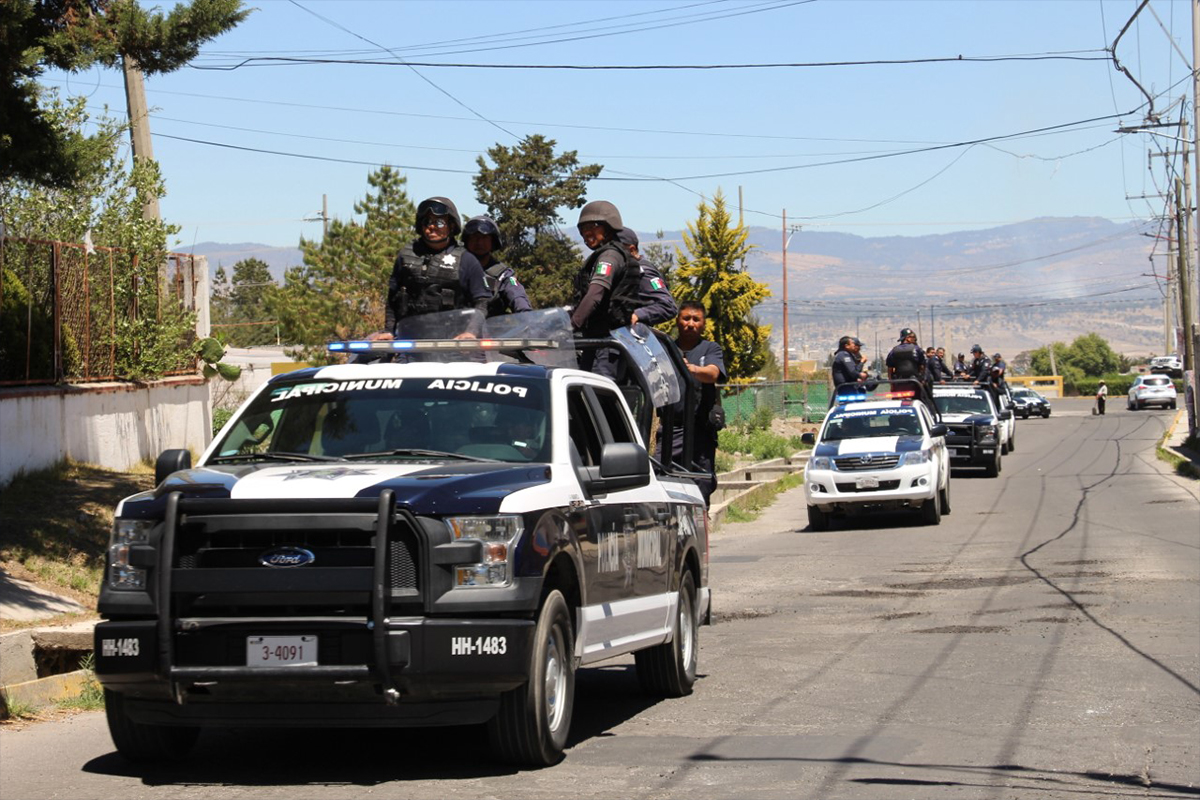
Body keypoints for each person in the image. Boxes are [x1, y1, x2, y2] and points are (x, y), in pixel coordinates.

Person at [382, 196, 490, 339]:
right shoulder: (405, 256)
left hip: (454, 346)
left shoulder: (467, 260)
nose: (432, 227)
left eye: (439, 222)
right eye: (427, 222)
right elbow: (392, 299)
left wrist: (471, 332)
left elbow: (482, 302)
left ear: (451, 226)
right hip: (411, 345)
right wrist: (388, 331)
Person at [571, 200, 642, 377]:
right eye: (582, 229)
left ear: (608, 227)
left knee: (596, 398)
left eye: (592, 227)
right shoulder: (608, 254)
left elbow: (596, 293)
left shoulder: (609, 257)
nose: (587, 233)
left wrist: (570, 326)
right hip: (599, 342)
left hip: (605, 345)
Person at [669, 301, 726, 505]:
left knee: (701, 488)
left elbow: (713, 374)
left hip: (700, 433)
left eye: (696, 319)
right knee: (664, 482)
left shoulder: (710, 348)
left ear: (703, 324)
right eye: (686, 318)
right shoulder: (667, 349)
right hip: (670, 432)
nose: (690, 323)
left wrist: (690, 369)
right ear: (678, 321)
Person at [462, 215, 533, 317]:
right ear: (467, 240)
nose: (479, 242)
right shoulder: (456, 268)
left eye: (484, 237)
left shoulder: (503, 275)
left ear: (493, 241)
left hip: (492, 330)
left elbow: (517, 295)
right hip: (456, 329)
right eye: (474, 237)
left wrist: (526, 315)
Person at [616, 228, 678, 327]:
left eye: (617, 251)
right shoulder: (623, 270)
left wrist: (636, 315)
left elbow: (668, 306)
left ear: (632, 250)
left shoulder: (643, 272)